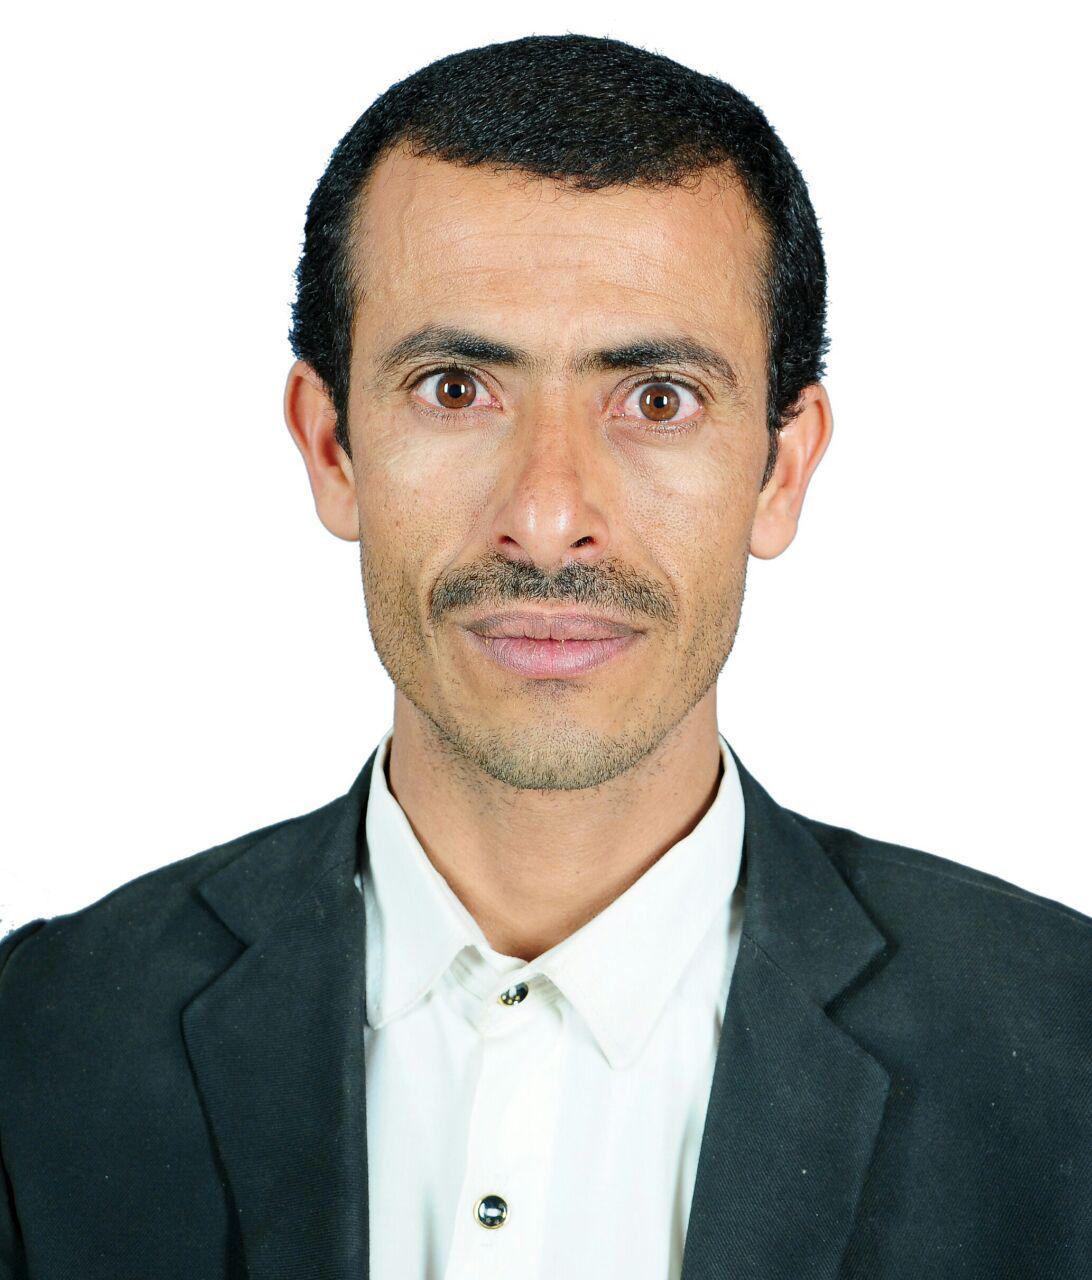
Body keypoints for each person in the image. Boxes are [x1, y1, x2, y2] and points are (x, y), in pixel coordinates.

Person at [1, 32, 1088, 1280]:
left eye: (658, 397)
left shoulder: (1069, 1051)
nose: (549, 514)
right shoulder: (38, 1039)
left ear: (781, 469)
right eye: (456, 388)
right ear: (332, 447)